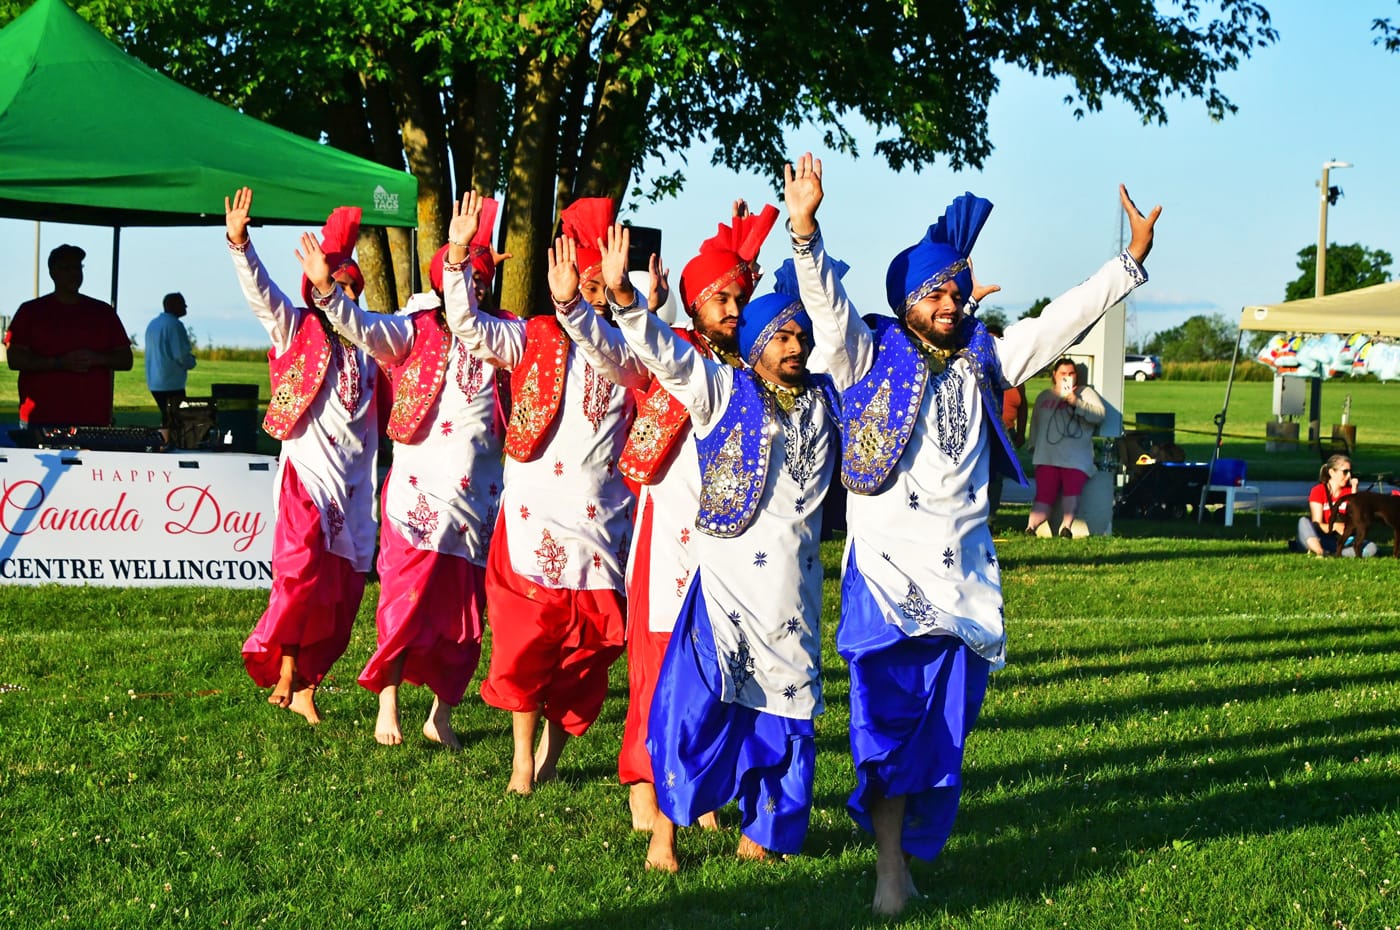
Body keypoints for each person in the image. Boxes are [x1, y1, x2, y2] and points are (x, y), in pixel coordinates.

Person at [784, 152, 1158, 915]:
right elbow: (826, 307)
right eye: (936, 292)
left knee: (942, 735)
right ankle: (889, 873)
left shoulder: (984, 357)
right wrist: (805, 229)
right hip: (886, 582)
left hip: (965, 583)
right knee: (885, 728)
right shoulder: (864, 355)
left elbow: (1058, 324)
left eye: (956, 289)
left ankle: (908, 853)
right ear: (908, 301)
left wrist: (1128, 264)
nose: (951, 302)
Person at [593, 222, 839, 870]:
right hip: (721, 583)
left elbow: (845, 333)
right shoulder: (720, 390)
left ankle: (763, 834)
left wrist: (807, 235)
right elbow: (664, 357)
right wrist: (624, 300)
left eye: (800, 337)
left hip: (792, 591)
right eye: (781, 337)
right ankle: (664, 831)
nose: (796, 347)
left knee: (787, 717)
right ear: (759, 345)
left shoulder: (820, 403)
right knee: (693, 711)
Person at [553, 203, 778, 843]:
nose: (733, 309)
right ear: (693, 303)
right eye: (720, 298)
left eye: (741, 296)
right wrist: (584, 306)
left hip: (735, 547)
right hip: (669, 542)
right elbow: (614, 354)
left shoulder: (754, 370)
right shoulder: (669, 352)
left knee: (725, 670)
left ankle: (703, 785)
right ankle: (648, 788)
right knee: (658, 672)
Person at [444, 196, 646, 795]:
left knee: (586, 659)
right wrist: (458, 256)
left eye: (599, 283)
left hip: (602, 528)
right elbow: (469, 328)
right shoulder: (531, 338)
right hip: (533, 525)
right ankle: (522, 761)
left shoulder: (632, 350)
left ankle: (555, 752)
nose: (590, 292)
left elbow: (622, 363)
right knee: (526, 648)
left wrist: (583, 309)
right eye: (580, 280)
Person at [307, 191, 507, 749]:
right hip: (417, 499)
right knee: (404, 603)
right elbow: (361, 326)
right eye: (463, 277)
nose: (473, 289)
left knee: (467, 622)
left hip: (478, 501)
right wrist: (327, 291)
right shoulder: (413, 329)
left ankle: (440, 714)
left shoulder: (506, 336)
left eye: (481, 281)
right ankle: (388, 704)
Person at [226, 188, 379, 725]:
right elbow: (263, 297)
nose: (342, 295)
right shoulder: (298, 329)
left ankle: (306, 683)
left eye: (349, 287)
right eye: (333, 286)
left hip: (354, 485)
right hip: (306, 476)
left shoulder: (372, 347)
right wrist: (241, 243)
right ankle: (283, 668)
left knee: (338, 596)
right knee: (299, 571)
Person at [5, 244, 134, 427]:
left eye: (78, 267)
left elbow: (126, 359)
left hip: (92, 420)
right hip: (41, 420)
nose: (74, 273)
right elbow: (15, 359)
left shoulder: (102, 312)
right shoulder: (31, 312)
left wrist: (97, 359)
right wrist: (59, 363)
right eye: (66, 268)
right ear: (52, 272)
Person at [1024, 357, 1105, 537]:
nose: (1067, 377)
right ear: (1054, 375)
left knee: (1072, 493)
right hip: (1047, 456)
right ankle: (1031, 527)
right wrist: (1033, 445)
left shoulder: (1086, 393)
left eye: (1071, 374)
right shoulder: (1045, 396)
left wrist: (1075, 402)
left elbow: (1099, 415)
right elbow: (1036, 422)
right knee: (1044, 496)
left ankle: (1066, 527)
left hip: (1075, 457)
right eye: (1063, 374)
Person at [1296, 453, 1376, 557]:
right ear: (1332, 472)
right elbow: (1317, 524)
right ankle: (1320, 551)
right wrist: (1334, 526)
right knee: (1303, 521)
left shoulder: (1349, 492)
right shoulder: (1318, 491)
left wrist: (1355, 493)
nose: (1349, 476)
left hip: (1341, 540)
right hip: (1320, 537)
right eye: (1345, 472)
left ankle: (1334, 553)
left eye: (1350, 472)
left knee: (1372, 548)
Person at [985, 323, 1026, 517]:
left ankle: (991, 515)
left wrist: (1021, 431)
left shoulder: (1013, 372)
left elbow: (1023, 404)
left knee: (998, 477)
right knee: (983, 474)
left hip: (1007, 431)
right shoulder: (979, 369)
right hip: (985, 431)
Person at [144, 292, 197, 427]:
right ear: (172, 305)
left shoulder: (153, 324)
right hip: (171, 383)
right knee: (176, 420)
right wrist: (191, 361)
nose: (186, 306)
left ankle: (164, 442)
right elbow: (180, 355)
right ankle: (170, 444)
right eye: (182, 303)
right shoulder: (174, 325)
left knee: (167, 417)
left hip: (155, 382)